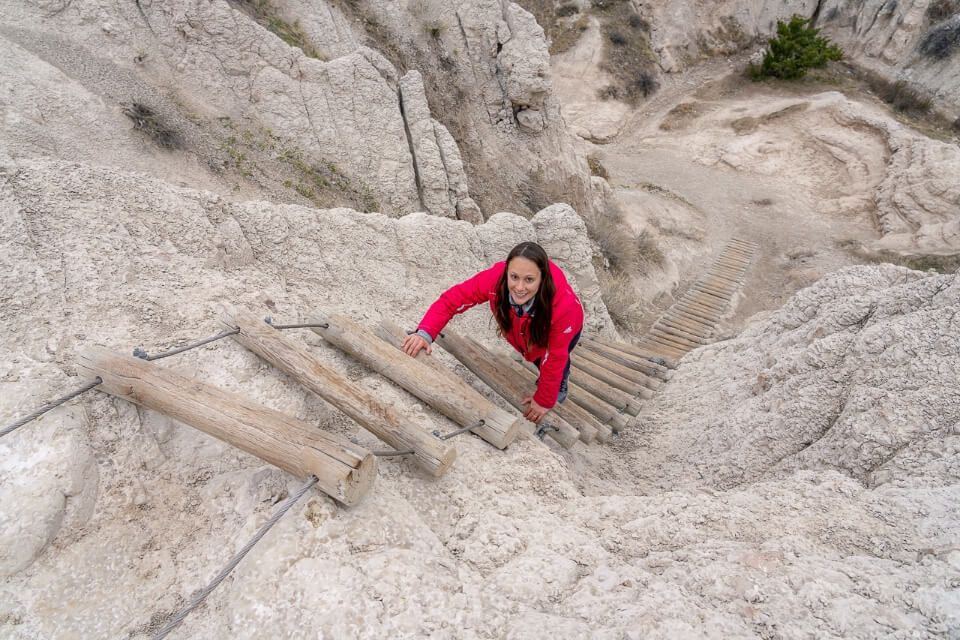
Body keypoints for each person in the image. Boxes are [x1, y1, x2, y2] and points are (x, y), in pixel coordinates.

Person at [402, 241, 584, 424]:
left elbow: (554, 356)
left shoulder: (563, 307)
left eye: (529, 280)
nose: (519, 287)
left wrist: (544, 401)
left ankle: (561, 380)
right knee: (534, 355)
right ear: (506, 272)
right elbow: (452, 300)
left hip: (567, 328)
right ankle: (543, 372)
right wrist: (424, 332)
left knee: (548, 359)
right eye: (514, 277)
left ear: (542, 278)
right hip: (520, 326)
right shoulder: (495, 279)